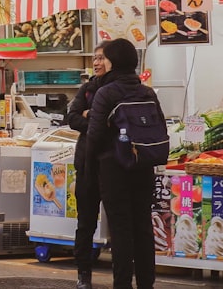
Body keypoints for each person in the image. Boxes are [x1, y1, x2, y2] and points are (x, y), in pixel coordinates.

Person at [86, 38, 163, 289]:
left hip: (114, 169)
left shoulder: (105, 92)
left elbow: (94, 136)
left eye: (104, 58)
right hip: (143, 167)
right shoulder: (147, 92)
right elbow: (160, 127)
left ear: (114, 62)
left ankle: (122, 284)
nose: (101, 62)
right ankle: (146, 284)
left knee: (121, 230)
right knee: (143, 227)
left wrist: (89, 170)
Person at [66, 41, 112, 289]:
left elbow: (113, 123)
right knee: (85, 223)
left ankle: (123, 270)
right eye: (94, 58)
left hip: (114, 164)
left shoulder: (118, 88)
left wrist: (89, 115)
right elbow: (72, 118)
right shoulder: (87, 89)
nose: (96, 62)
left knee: (118, 221)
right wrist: (93, 118)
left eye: (102, 58)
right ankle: (83, 273)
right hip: (86, 163)